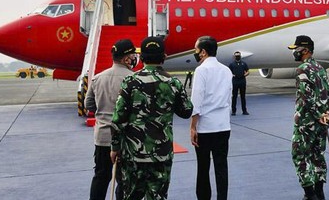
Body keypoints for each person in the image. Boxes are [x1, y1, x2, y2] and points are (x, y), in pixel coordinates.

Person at [110, 36, 193, 199]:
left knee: (132, 195)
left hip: (133, 154)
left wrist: (115, 147)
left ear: (142, 57)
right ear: (164, 56)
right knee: (158, 195)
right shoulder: (173, 83)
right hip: (161, 154)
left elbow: (118, 119)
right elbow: (186, 111)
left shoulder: (130, 81)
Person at [85, 39, 137, 200]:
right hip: (126, 138)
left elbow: (89, 105)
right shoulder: (135, 79)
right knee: (124, 181)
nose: (134, 58)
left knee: (101, 176)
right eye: (132, 55)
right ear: (125, 58)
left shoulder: (98, 78)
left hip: (103, 137)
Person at [288, 35, 329, 200]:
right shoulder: (320, 68)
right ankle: (319, 192)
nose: (294, 52)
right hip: (322, 123)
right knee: (317, 156)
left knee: (299, 156)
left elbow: (306, 98)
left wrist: (318, 114)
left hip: (305, 123)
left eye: (296, 49)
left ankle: (310, 194)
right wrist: (326, 114)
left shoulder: (303, 69)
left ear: (305, 50)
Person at [189, 36, 233, 200]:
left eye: (196, 49)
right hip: (222, 126)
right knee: (221, 167)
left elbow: (197, 100)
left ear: (203, 52)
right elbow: (229, 99)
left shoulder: (201, 70)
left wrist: (193, 126)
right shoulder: (226, 70)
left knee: (203, 167)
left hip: (205, 127)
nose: (196, 53)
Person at [228, 51, 250, 115]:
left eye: (238, 56)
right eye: (236, 56)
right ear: (234, 57)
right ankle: (233, 111)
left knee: (243, 97)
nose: (237, 57)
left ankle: (244, 110)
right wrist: (233, 75)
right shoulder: (231, 64)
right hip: (235, 81)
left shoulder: (244, 63)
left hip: (242, 81)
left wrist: (245, 75)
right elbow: (229, 72)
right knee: (234, 97)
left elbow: (248, 71)